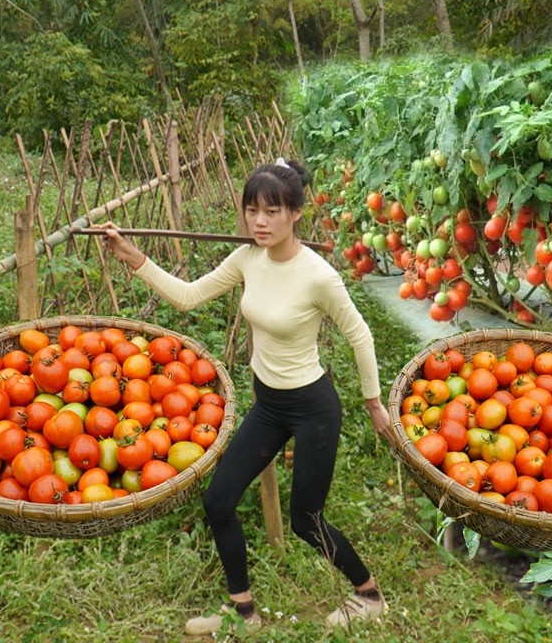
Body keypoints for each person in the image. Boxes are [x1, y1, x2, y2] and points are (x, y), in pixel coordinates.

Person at [97, 159, 390, 635]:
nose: (259, 221)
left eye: (271, 211)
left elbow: (361, 337)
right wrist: (133, 256)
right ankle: (243, 611)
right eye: (252, 210)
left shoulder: (318, 276)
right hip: (270, 406)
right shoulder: (247, 259)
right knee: (218, 501)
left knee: (306, 520)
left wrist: (373, 403)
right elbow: (189, 296)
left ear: (296, 212)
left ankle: (369, 594)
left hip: (313, 407)